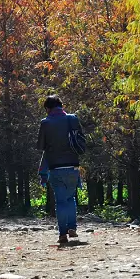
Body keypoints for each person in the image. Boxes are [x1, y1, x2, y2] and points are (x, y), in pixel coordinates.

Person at [37, 94, 84, 244]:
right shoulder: (72, 119)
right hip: (73, 166)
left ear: (47, 108)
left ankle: (62, 233)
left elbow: (40, 146)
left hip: (55, 167)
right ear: (61, 105)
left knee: (61, 201)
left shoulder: (46, 123)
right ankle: (72, 228)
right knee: (71, 199)